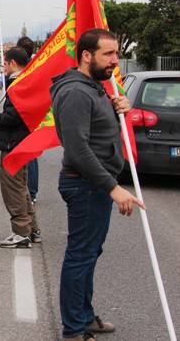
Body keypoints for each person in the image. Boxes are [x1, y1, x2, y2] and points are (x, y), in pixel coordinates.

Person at [50, 29, 145, 341]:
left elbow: (100, 132)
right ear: (86, 56)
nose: (115, 61)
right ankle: (74, 329)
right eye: (108, 55)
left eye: (116, 54)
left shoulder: (94, 87)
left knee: (89, 254)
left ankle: (85, 318)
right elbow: (77, 151)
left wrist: (120, 109)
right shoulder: (76, 93)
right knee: (80, 256)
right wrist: (112, 188)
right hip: (86, 186)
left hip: (93, 185)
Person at [0, 47, 40, 248]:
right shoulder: (28, 82)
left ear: (13, 63)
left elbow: (12, 117)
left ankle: (21, 233)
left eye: (5, 64)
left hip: (12, 144)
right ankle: (32, 229)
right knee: (21, 188)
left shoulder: (18, 85)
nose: (3, 68)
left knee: (13, 190)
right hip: (22, 143)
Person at [17, 36, 39, 203]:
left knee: (27, 155)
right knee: (31, 155)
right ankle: (32, 192)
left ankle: (28, 192)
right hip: (35, 114)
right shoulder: (38, 65)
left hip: (23, 115)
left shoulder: (24, 68)